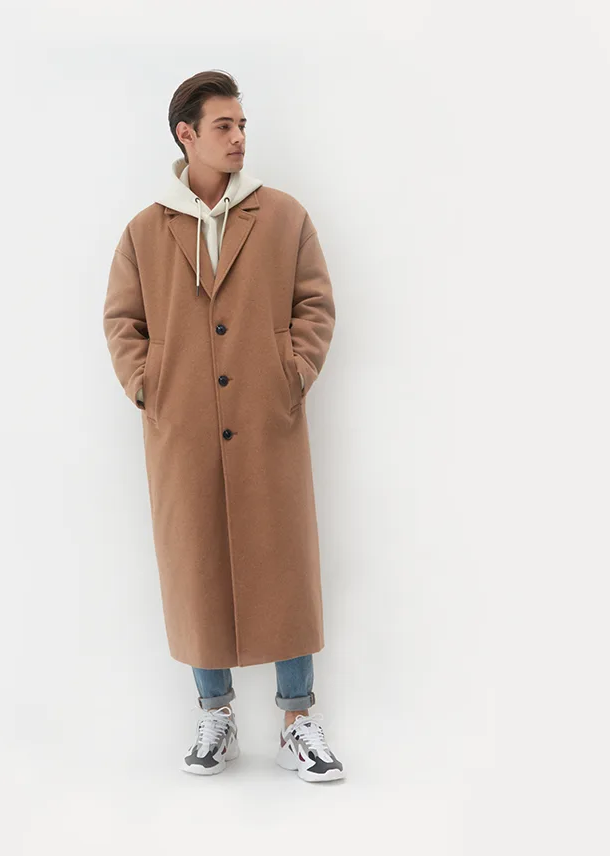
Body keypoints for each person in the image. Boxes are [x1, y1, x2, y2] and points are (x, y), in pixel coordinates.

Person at [103, 70, 342, 782]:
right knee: (196, 562)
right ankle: (216, 714)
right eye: (223, 127)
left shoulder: (284, 216)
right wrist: (149, 386)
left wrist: (292, 373)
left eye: (242, 126)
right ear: (187, 134)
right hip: (182, 428)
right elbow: (122, 321)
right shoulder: (145, 230)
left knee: (284, 561)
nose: (238, 138)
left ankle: (298, 720)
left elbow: (315, 303)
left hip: (267, 421)